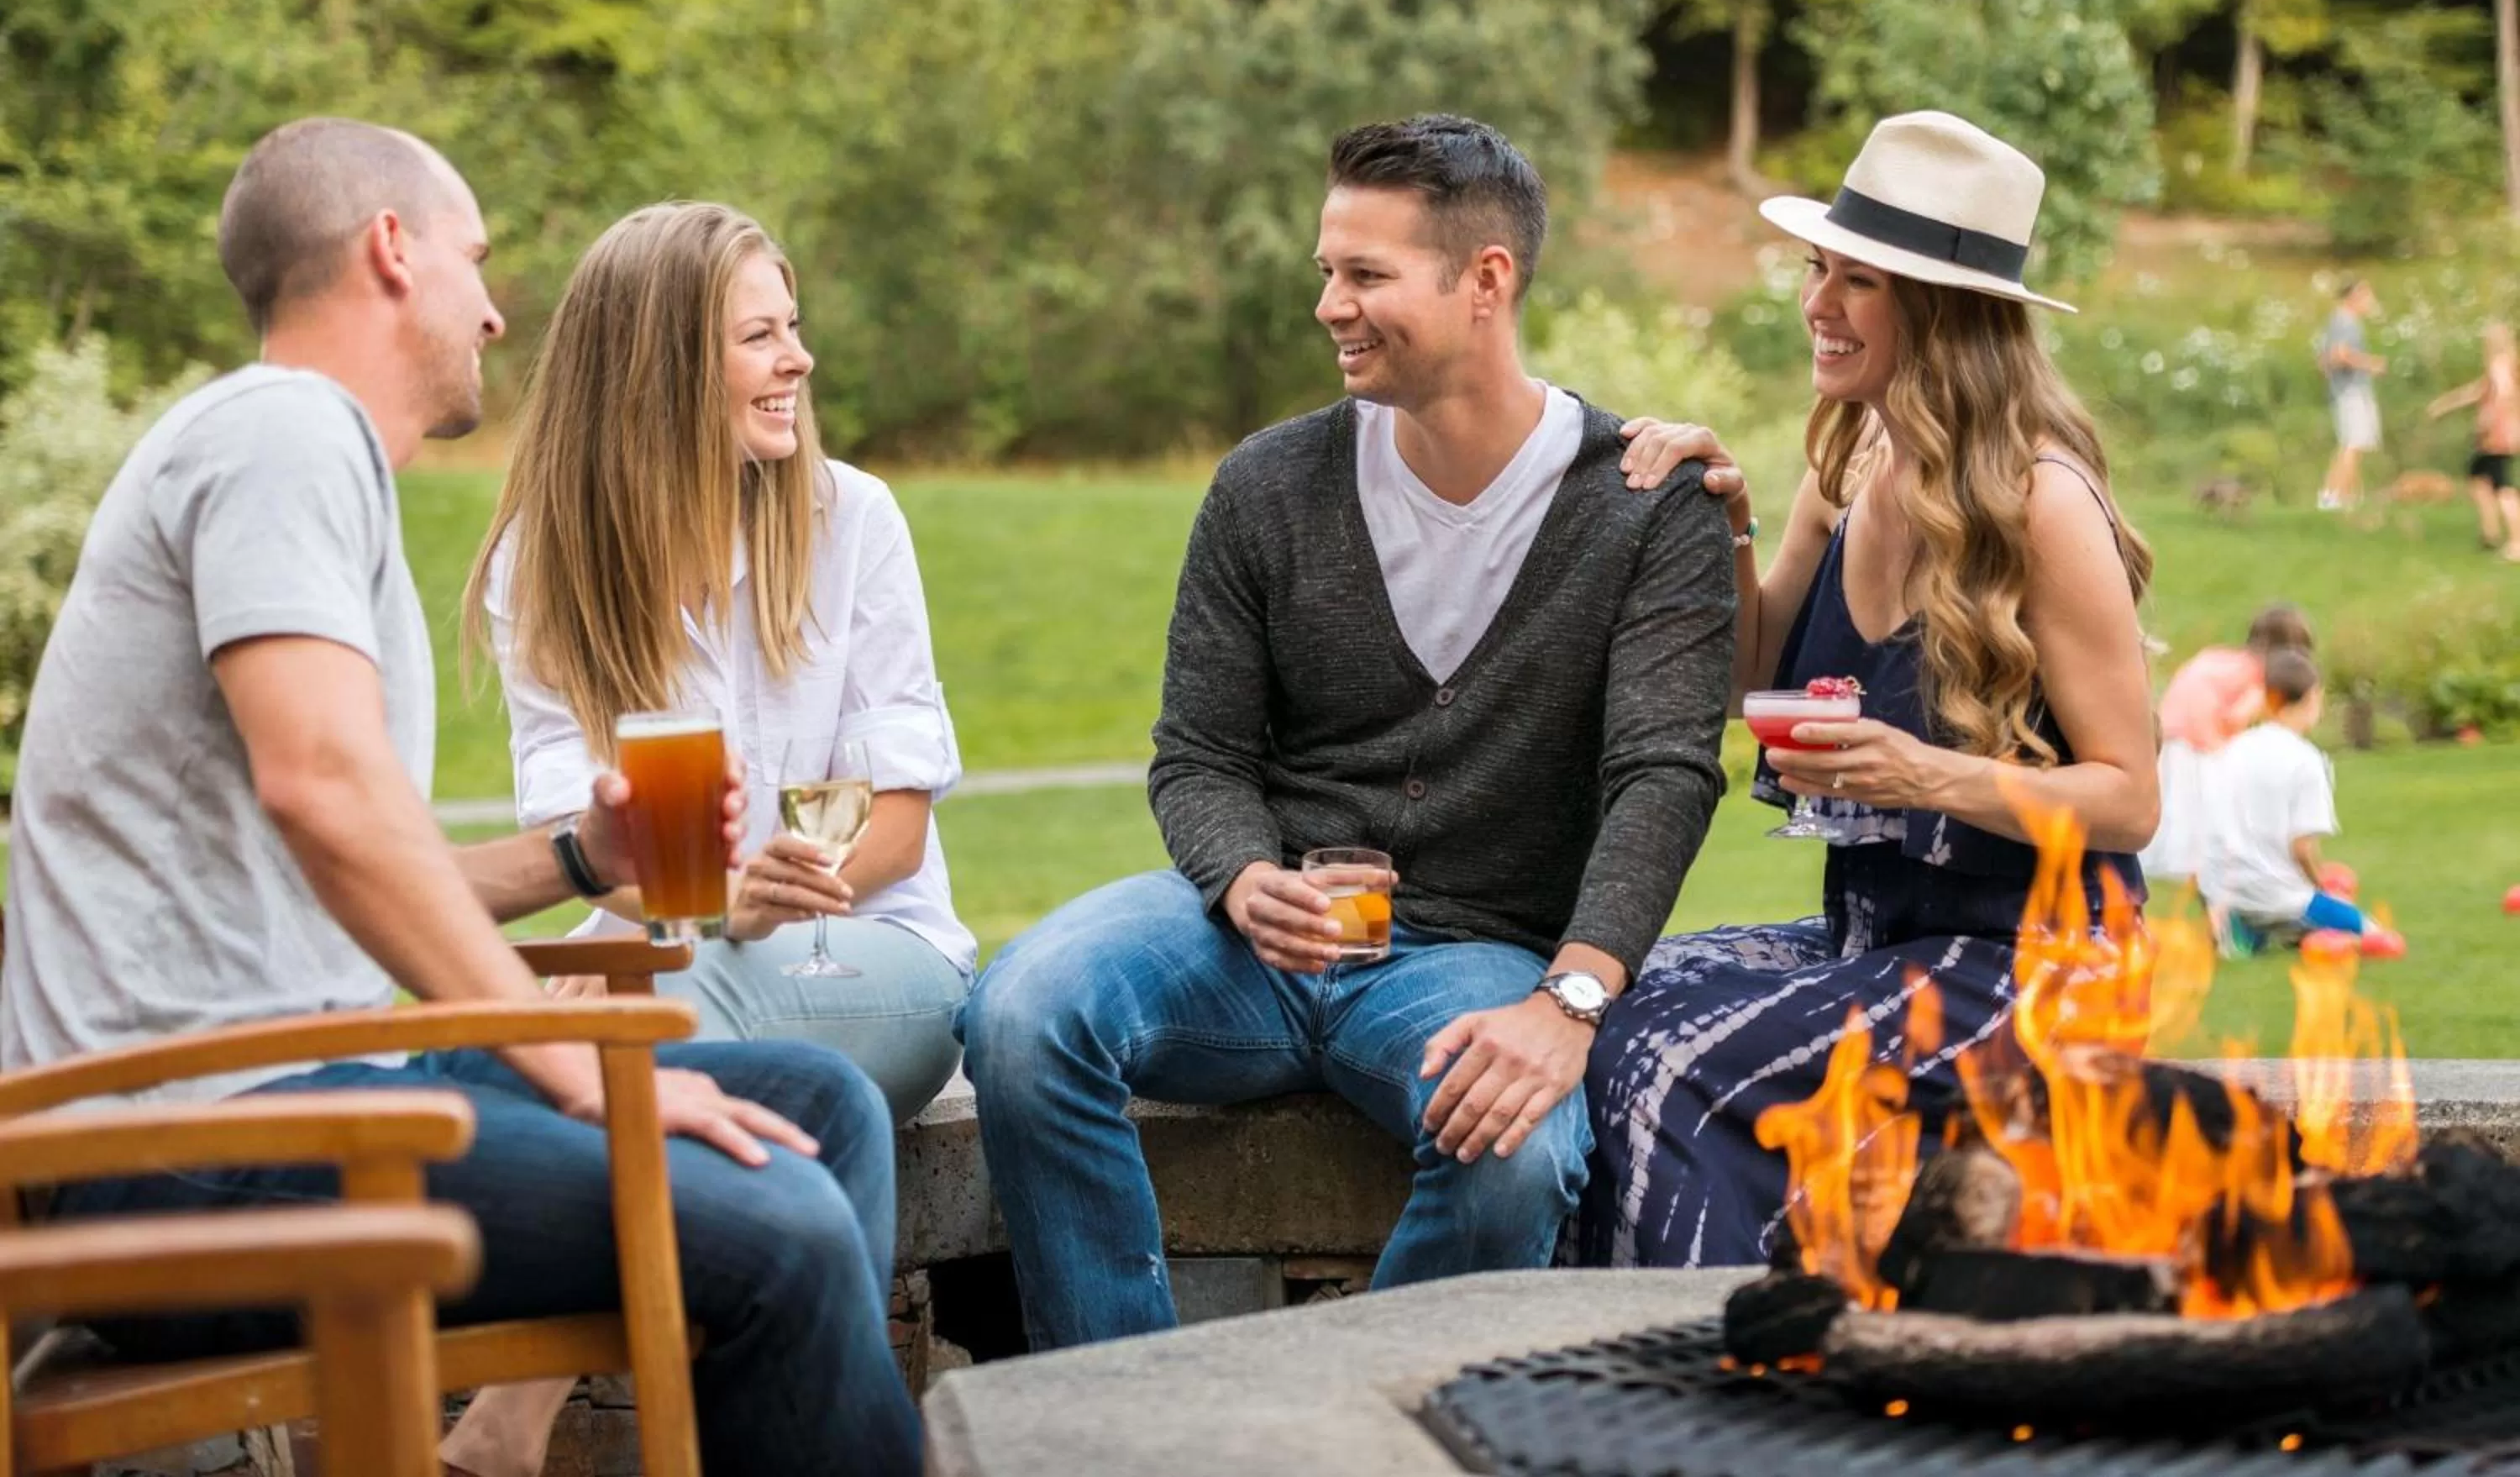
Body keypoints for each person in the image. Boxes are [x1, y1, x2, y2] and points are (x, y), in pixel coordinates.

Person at [0, 119, 918, 1475]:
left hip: (286, 1096)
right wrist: (583, 1079)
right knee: (775, 1224)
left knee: (820, 1103)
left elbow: (344, 847)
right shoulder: (285, 430)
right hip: (177, 1148)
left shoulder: (298, 457)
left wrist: (573, 851)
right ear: (389, 251)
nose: (494, 312)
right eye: (474, 261)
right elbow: (324, 794)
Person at [958, 113, 1736, 1350]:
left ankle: (1332, 1424)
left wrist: (1569, 998)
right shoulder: (1267, 485)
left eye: (1366, 274)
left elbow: (1664, 775)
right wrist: (1240, 874)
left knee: (1521, 1152)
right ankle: (1123, 1411)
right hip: (1250, 944)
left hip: (1475, 955)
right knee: (1020, 1013)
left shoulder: (1645, 510)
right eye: (1328, 268)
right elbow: (1200, 752)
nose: (1330, 303)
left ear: (1486, 281)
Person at [443, 202, 970, 1476]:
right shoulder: (546, 562)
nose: (798, 360)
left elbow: (893, 826)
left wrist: (756, 894)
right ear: (663, 364)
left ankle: (508, 1419)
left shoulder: (853, 520)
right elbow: (583, 835)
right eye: (759, 335)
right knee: (604, 999)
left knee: (628, 997)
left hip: (880, 955)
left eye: (793, 328)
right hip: (670, 956)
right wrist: (693, 905)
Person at [1585, 110, 2158, 1270]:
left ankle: (1705, 1380)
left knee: (1675, 1064)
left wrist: (1926, 775)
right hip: (1877, 935)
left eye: (1861, 281)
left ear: (1942, 310)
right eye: (1820, 268)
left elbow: (2132, 800)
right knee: (1611, 1003)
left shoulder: (2041, 503)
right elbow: (1754, 677)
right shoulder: (1850, 460)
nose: (1819, 303)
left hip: (2045, 966)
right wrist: (1725, 523)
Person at [2197, 647, 2402, 959]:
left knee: (2268, 919)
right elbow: (2302, 848)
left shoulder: (2232, 749)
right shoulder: (2307, 761)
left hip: (2221, 887)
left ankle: (2241, 932)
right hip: (2276, 893)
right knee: (2375, 934)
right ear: (2313, 697)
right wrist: (2322, 886)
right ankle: (2304, 930)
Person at [2138, 603, 2316, 891]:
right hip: (2199, 734)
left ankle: (2175, 864)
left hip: (2170, 728)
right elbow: (2236, 716)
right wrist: (2231, 741)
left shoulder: (2227, 659)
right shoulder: (2259, 678)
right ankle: (2202, 867)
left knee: (2176, 806)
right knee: (2206, 807)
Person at [2424, 320, 2520, 560]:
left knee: (2502, 487)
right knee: (2479, 479)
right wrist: (2444, 405)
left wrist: (2492, 422)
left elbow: (2505, 396)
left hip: (2496, 436)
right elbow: (2476, 392)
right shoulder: (2501, 366)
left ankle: (2517, 543)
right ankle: (2490, 533)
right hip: (2496, 436)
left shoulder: (2500, 365)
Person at [2317, 278, 2386, 512]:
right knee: (2352, 443)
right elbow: (2339, 355)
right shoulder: (2345, 321)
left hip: (2348, 389)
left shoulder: (2340, 321)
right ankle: (2332, 496)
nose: (2371, 302)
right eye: (2368, 296)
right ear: (2355, 296)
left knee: (2356, 443)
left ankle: (2347, 496)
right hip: (2351, 390)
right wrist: (2371, 363)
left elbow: (2324, 360)